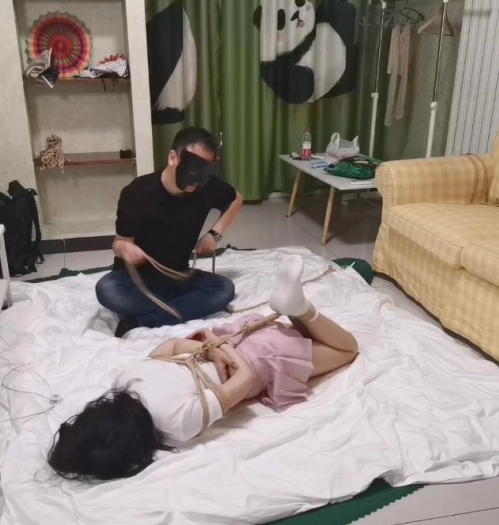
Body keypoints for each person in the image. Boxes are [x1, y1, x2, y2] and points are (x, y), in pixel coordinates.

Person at [49, 255, 359, 481]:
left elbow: (246, 377)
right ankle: (294, 308)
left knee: (346, 349)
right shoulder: (126, 381)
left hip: (259, 357)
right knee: (320, 342)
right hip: (233, 338)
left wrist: (222, 353)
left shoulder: (176, 426)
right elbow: (173, 346)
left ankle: (300, 308)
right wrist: (213, 346)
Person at [95, 127, 245, 337]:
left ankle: (145, 319)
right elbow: (119, 243)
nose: (197, 180)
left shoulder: (207, 187)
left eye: (205, 172)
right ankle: (181, 307)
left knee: (224, 289)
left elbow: (236, 198)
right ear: (173, 158)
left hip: (177, 275)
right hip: (137, 279)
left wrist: (215, 234)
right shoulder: (138, 192)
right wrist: (126, 249)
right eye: (193, 169)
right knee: (107, 289)